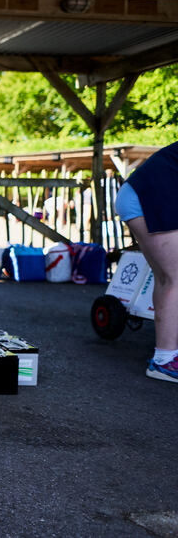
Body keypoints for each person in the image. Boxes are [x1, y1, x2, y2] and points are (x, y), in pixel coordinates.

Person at [113, 141, 178, 384]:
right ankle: (164, 362)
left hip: (136, 196)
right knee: (175, 278)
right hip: (148, 199)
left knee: (167, 279)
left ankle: (166, 356)